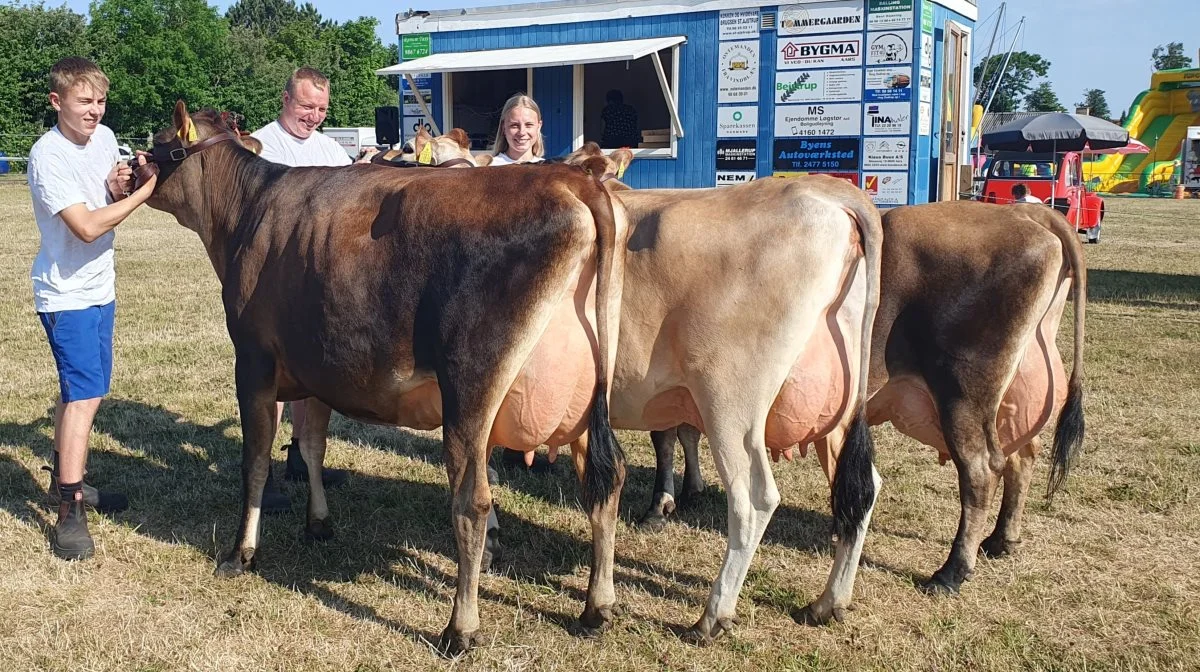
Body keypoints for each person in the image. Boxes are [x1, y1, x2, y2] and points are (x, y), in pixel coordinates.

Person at [28, 56, 158, 560]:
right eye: (84, 101)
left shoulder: (102, 139)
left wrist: (123, 184)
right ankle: (70, 509)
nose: (95, 111)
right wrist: (145, 195)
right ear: (57, 101)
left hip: (100, 286)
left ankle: (66, 475)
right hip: (66, 293)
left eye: (100, 101)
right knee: (83, 398)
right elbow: (85, 226)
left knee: (84, 392)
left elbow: (105, 194)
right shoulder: (47, 155)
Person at [251, 67, 366, 511]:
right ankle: (265, 473)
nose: (313, 116)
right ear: (284, 100)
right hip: (271, 283)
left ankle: (302, 455)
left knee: (314, 376)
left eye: (320, 109)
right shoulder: (261, 147)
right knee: (274, 378)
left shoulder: (328, 148)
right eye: (305, 107)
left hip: (318, 281)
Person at [490, 94, 545, 165]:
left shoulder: (548, 169)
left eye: (528, 125)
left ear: (539, 126)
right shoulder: (489, 168)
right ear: (503, 128)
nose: (522, 132)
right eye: (514, 125)